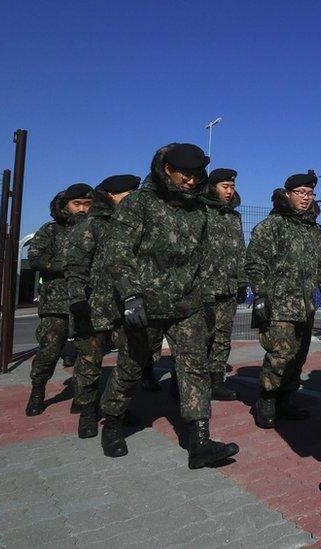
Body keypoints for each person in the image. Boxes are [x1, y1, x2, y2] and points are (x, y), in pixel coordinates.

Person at [99, 143, 238, 469]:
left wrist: (204, 300)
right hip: (145, 306)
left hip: (186, 305)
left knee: (195, 370)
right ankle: (114, 422)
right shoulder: (139, 204)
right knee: (131, 365)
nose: (191, 181)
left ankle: (200, 442)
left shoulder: (199, 210)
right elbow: (118, 253)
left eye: (196, 175)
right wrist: (131, 296)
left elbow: (205, 261)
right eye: (184, 175)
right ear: (166, 170)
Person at [245, 170, 321, 429]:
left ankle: (285, 399)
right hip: (279, 306)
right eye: (300, 193)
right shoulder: (272, 226)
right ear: (287, 195)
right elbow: (255, 263)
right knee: (280, 355)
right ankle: (266, 400)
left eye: (309, 193)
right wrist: (261, 294)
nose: (306, 198)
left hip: (305, 306)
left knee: (298, 357)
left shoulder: (313, 229)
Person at [65, 174, 142, 438]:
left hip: (125, 306)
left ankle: (116, 409)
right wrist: (77, 300)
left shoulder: (135, 224)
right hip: (94, 306)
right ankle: (87, 412)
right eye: (128, 194)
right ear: (111, 195)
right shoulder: (91, 226)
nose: (134, 198)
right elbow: (75, 267)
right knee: (89, 362)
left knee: (129, 360)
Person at [25, 183, 94, 416]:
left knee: (88, 351)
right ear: (66, 205)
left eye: (87, 204)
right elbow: (35, 258)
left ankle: (83, 397)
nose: (82, 209)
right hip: (56, 303)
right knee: (50, 350)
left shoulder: (96, 229)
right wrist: (68, 264)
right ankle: (38, 389)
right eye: (77, 204)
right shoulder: (51, 230)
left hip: (87, 301)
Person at [200, 168, 247, 402]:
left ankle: (216, 381)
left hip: (228, 287)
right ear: (212, 187)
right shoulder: (200, 212)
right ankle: (188, 382)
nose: (230, 191)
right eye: (225, 187)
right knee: (201, 337)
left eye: (232, 187)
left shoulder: (234, 217)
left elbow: (240, 251)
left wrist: (242, 282)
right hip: (203, 289)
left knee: (222, 337)